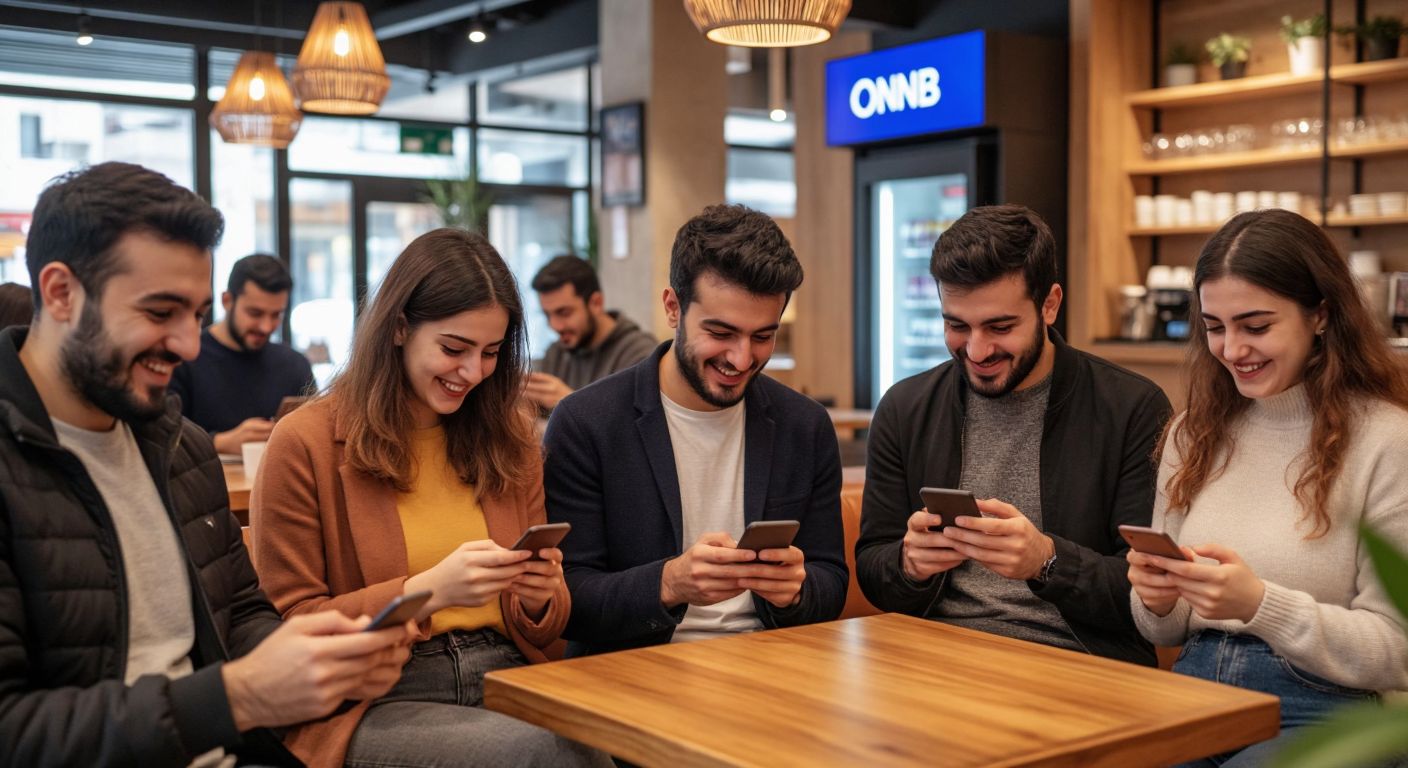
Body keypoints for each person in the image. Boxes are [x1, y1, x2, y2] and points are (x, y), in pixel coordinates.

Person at [0, 161, 411, 766]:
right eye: (160, 313)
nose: (189, 345)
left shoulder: (181, 447)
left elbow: (238, 615)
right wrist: (234, 697)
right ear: (61, 292)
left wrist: (321, 666)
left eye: (194, 315)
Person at [251, 228, 610, 768]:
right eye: (453, 348)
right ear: (398, 327)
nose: (472, 373)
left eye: (490, 353)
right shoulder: (306, 442)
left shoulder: (509, 437)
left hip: (511, 671)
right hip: (377, 692)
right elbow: (293, 625)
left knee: (607, 742)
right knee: (537, 754)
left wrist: (540, 595)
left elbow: (547, 619)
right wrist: (426, 591)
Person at [1128, 209, 1408, 765]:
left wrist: (1260, 604)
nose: (1232, 350)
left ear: (1321, 316)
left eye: (1256, 326)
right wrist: (1156, 598)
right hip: (1191, 694)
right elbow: (1162, 630)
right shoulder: (1192, 433)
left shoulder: (1387, 440)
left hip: (1321, 710)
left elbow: (1397, 650)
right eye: (1214, 327)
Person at [856, 204, 1172, 665]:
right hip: (929, 658)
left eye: (1000, 327)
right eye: (956, 326)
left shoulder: (1132, 408)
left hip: (1078, 663)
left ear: (1050, 304)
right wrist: (909, 563)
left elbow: (1151, 592)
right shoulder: (906, 408)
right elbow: (872, 567)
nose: (977, 350)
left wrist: (1047, 561)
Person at [543, 204, 848, 656]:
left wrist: (797, 589)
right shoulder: (588, 423)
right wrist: (668, 584)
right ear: (673, 307)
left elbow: (832, 580)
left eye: (763, 336)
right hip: (636, 670)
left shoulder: (803, 427)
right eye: (721, 332)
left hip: (775, 665)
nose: (742, 359)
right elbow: (569, 600)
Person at [169, 254, 315, 455]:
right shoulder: (185, 358)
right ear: (227, 301)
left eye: (276, 315)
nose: (265, 327)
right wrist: (217, 442)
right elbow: (161, 439)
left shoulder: (294, 365)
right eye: (255, 313)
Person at [525, 254, 657, 411]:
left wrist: (571, 404)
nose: (555, 326)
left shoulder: (640, 354)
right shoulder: (556, 353)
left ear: (596, 303)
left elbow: (636, 429)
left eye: (564, 313)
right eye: (547, 315)